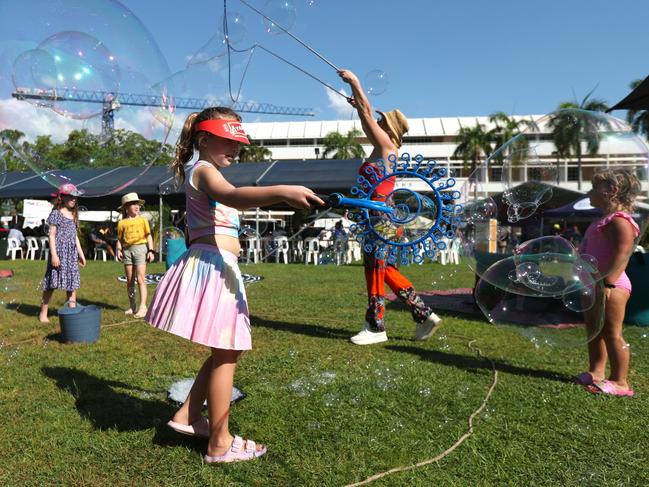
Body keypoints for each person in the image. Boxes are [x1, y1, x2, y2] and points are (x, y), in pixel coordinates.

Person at [144, 107, 322, 463]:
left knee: (227, 350)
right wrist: (282, 191)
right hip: (214, 267)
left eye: (239, 143)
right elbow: (232, 196)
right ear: (205, 139)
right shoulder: (204, 171)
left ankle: (188, 416)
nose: (236, 149)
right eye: (228, 141)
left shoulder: (205, 169)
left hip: (220, 267)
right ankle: (220, 443)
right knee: (227, 351)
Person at [338, 68, 442, 345]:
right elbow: (365, 114)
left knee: (374, 269)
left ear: (389, 129)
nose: (377, 122)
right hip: (380, 214)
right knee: (385, 269)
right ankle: (423, 313)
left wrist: (355, 84)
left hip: (379, 216)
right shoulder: (382, 150)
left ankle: (376, 327)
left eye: (381, 121)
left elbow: (365, 113)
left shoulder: (387, 147)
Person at [576, 169, 641, 397]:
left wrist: (608, 283)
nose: (589, 192)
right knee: (594, 330)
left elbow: (623, 253)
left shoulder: (619, 220)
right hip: (594, 284)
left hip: (611, 285)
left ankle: (620, 381)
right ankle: (596, 371)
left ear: (611, 191)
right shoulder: (602, 220)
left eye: (594, 188)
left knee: (612, 332)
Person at [38, 183, 86, 323]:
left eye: (75, 197)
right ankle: (43, 313)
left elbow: (74, 236)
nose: (74, 199)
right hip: (59, 253)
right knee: (51, 284)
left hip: (71, 255)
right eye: (71, 197)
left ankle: (72, 313)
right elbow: (51, 235)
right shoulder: (56, 213)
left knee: (72, 284)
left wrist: (81, 254)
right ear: (63, 197)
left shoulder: (74, 214)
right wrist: (54, 255)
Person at [116, 193, 155, 318]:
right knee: (129, 280)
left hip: (140, 250)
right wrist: (119, 250)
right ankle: (132, 306)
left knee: (141, 278)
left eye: (137, 204)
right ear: (126, 208)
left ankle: (143, 307)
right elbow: (120, 239)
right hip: (127, 251)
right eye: (133, 204)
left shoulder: (143, 220)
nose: (137, 206)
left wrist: (151, 250)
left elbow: (148, 235)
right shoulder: (122, 223)